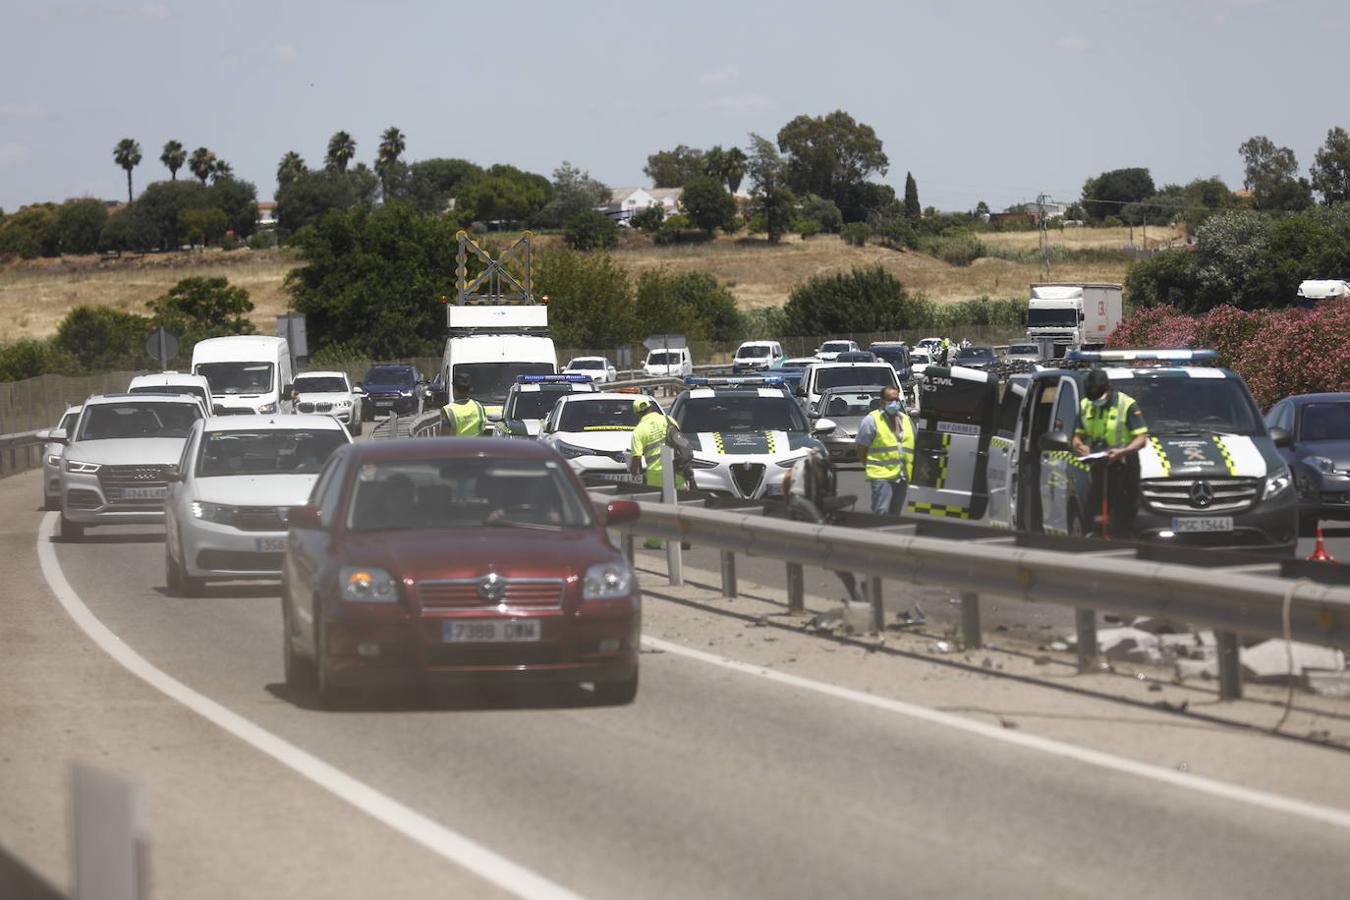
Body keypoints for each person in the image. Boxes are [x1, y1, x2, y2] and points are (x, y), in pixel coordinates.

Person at [1072, 368, 1149, 537]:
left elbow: (1141, 439)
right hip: (1099, 465)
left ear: (1108, 388)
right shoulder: (1086, 404)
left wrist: (1123, 452)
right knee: (1093, 517)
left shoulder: (1126, 404)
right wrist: (1079, 446)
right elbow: (1077, 436)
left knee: (1122, 518)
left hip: (1124, 466)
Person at [854, 385, 915, 516]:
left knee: (895, 513)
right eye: (890, 400)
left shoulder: (906, 419)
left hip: (902, 475)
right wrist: (868, 465)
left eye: (896, 400)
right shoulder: (872, 420)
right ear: (882, 401)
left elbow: (913, 444)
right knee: (881, 511)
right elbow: (861, 448)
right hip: (881, 476)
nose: (894, 403)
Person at [628, 397, 687, 489]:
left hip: (655, 476)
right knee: (679, 499)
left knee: (658, 502)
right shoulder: (668, 420)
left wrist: (633, 472)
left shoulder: (638, 431)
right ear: (651, 408)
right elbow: (682, 444)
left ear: (636, 414)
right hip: (676, 470)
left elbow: (637, 457)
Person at [440, 371, 486, 436]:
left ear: (454, 388)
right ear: (469, 389)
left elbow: (444, 438)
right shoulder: (479, 407)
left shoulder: (448, 411)